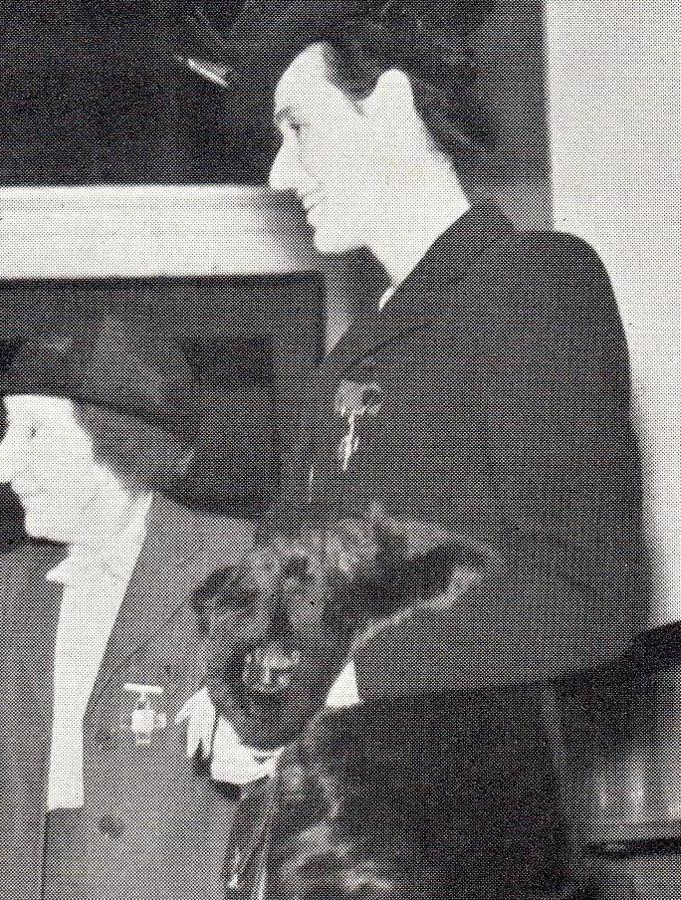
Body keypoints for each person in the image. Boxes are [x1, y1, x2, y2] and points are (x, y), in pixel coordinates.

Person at [184, 1, 651, 894]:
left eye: (298, 125)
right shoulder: (352, 359)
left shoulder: (532, 285)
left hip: (471, 857)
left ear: (391, 102)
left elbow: (589, 592)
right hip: (333, 856)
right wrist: (244, 687)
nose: (283, 170)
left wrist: (341, 677)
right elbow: (297, 589)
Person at [0, 308, 268, 900]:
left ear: (115, 439)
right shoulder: (13, 586)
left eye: (33, 433)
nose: (1, 466)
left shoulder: (236, 563)